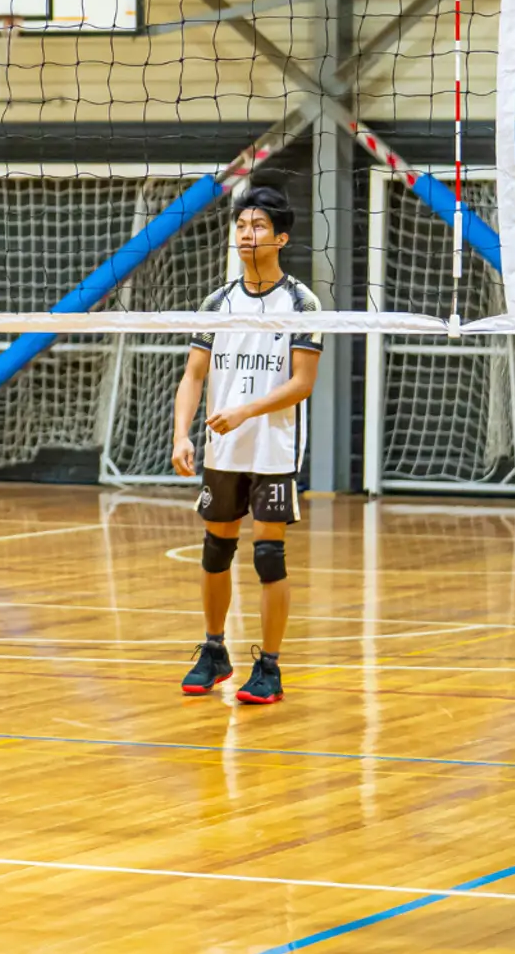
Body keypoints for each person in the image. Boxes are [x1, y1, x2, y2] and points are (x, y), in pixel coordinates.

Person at [170, 185, 322, 705]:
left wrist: (244, 411)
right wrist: (180, 434)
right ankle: (215, 651)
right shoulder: (217, 302)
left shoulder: (302, 302)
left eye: (256, 227)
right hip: (223, 451)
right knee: (216, 549)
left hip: (272, 448)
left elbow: (302, 383)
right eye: (240, 226)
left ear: (280, 237)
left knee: (268, 555)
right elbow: (193, 376)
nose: (245, 235)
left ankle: (271, 666)